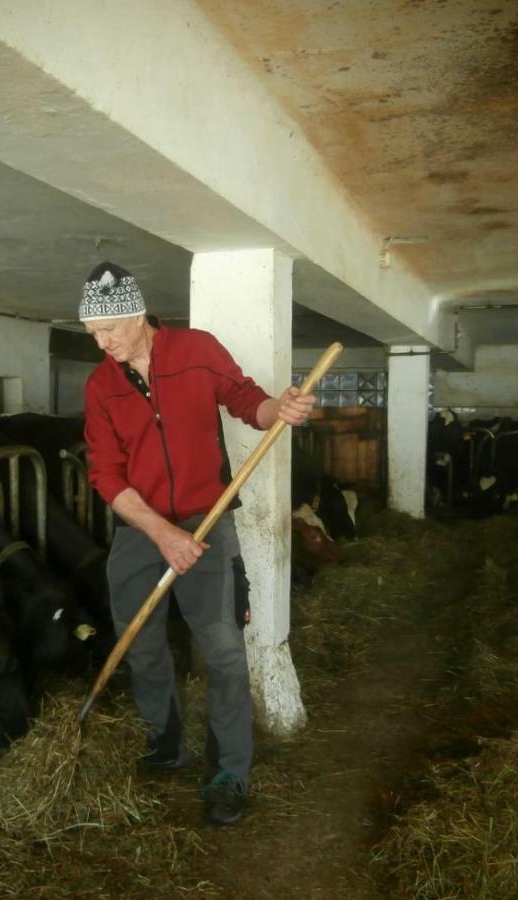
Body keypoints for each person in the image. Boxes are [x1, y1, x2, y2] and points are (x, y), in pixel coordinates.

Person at [79, 261, 315, 825]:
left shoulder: (195, 350)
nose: (102, 342)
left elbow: (243, 398)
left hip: (208, 526)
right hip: (140, 533)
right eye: (92, 333)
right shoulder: (101, 386)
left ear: (139, 315)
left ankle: (229, 770)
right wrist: (162, 536)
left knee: (226, 654)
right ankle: (165, 744)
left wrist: (276, 411)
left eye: (110, 329)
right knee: (144, 646)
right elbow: (106, 475)